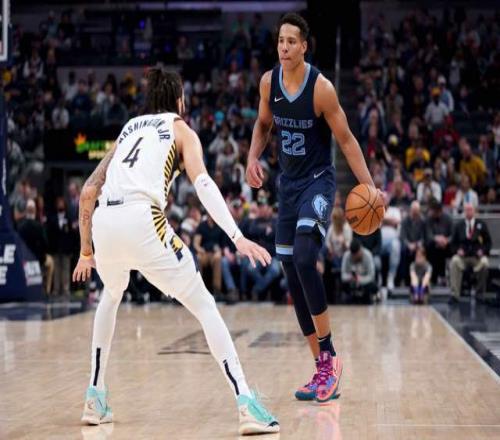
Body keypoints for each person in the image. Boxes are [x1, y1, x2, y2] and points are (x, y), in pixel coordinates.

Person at [72, 68, 279, 435]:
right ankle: (246, 402)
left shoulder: (128, 129)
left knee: (111, 295)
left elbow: (88, 191)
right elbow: (203, 183)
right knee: (205, 305)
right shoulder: (181, 129)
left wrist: (86, 251)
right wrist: (237, 237)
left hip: (104, 222)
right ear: (179, 100)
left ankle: (94, 396)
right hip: (143, 219)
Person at [246, 12, 376, 404]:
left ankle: (330, 356)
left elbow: (347, 139)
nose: (284, 47)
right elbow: (263, 124)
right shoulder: (268, 83)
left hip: (318, 182)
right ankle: (322, 368)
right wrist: (252, 157)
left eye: (291, 41)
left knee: (305, 257)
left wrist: (369, 185)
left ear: (304, 46)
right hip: (287, 186)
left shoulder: (322, 89)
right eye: (280, 41)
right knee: (292, 274)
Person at [449, 203, 491, 302]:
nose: (468, 212)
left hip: (477, 257)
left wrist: (483, 250)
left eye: (470, 210)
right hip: (462, 257)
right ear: (464, 212)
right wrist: (457, 250)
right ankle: (455, 294)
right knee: (454, 261)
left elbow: (488, 243)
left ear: (474, 211)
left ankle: (479, 294)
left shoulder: (481, 225)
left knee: (485, 263)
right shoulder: (458, 225)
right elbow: (452, 243)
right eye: (467, 210)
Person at [341, 239, 377, 304]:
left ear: (360, 250)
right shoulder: (346, 255)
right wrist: (350, 277)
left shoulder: (368, 255)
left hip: (364, 282)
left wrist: (359, 279)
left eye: (357, 255)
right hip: (351, 282)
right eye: (353, 256)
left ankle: (367, 300)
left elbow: (371, 276)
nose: (355, 257)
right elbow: (343, 275)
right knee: (343, 285)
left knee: (372, 286)